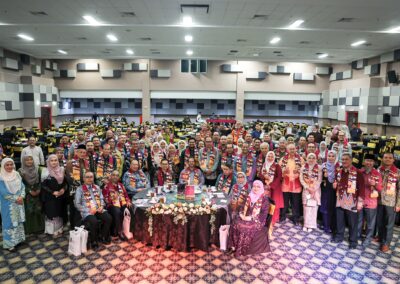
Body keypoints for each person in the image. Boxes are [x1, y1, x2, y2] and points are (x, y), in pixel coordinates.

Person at [228, 180, 270, 257]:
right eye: (254, 186)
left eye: (258, 187)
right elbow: (242, 207)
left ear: (261, 188)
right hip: (246, 216)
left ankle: (239, 250)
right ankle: (233, 246)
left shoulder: (264, 200)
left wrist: (251, 218)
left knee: (244, 226)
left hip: (258, 220)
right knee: (235, 222)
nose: (256, 188)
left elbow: (263, 215)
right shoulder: (249, 196)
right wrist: (241, 214)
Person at [332, 153, 364, 249]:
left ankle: (353, 241)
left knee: (352, 222)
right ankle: (339, 236)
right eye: (343, 159)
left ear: (351, 160)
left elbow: (361, 189)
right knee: (339, 220)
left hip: (352, 200)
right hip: (340, 199)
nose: (344, 161)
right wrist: (334, 185)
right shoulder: (339, 171)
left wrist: (360, 203)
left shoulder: (358, 172)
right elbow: (336, 182)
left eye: (346, 159)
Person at [74, 172, 112, 249]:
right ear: (84, 179)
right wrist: (88, 210)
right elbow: (77, 204)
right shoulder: (80, 189)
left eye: (91, 177)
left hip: (98, 209)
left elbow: (101, 199)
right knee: (93, 221)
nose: (89, 179)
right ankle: (93, 241)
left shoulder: (97, 187)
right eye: (87, 177)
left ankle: (103, 236)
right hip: (87, 211)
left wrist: (101, 206)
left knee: (109, 218)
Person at [376, 152, 400, 252]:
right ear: (382, 159)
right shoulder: (378, 170)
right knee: (380, 222)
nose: (388, 159)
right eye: (386, 157)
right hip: (379, 200)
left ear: (393, 160)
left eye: (390, 158)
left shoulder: (397, 172)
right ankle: (381, 237)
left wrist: (398, 203)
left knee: (389, 224)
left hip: (391, 201)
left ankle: (386, 243)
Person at [0, 158, 25, 251]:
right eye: (7, 165)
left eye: (11, 164)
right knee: (9, 223)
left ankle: (18, 240)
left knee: (18, 221)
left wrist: (21, 196)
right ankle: (10, 244)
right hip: (7, 204)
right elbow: (3, 192)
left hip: (19, 202)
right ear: (3, 166)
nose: (10, 166)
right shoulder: (1, 177)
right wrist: (16, 199)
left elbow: (22, 186)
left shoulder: (16, 174)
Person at [357, 154, 382, 247]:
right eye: (367, 160)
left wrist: (375, 184)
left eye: (371, 161)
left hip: (371, 202)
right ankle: (357, 235)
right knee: (359, 221)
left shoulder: (377, 174)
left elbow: (380, 189)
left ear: (374, 163)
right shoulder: (359, 171)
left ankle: (368, 239)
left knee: (370, 223)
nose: (369, 163)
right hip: (360, 201)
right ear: (364, 162)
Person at [41, 154, 67, 236]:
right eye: (51, 161)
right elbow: (43, 185)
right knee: (52, 213)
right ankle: (51, 231)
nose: (54, 162)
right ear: (48, 162)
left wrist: (63, 189)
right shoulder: (45, 171)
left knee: (60, 212)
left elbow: (65, 183)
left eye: (55, 160)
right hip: (50, 197)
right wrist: (52, 192)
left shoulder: (62, 169)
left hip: (61, 196)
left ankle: (59, 229)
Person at [102, 170, 133, 241]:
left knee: (130, 207)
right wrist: (112, 198)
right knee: (117, 211)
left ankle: (129, 230)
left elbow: (126, 195)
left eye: (117, 175)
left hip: (122, 203)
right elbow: (105, 200)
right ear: (110, 176)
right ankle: (119, 232)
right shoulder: (106, 187)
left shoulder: (121, 185)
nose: (115, 177)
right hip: (111, 205)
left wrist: (128, 201)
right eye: (113, 175)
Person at [18, 155, 44, 235]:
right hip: (27, 193)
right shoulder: (20, 171)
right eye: (27, 160)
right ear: (23, 161)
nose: (29, 161)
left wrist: (39, 189)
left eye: (31, 159)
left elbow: (40, 181)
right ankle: (29, 229)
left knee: (38, 210)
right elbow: (20, 184)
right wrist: (29, 191)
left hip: (37, 191)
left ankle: (39, 228)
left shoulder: (38, 169)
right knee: (29, 211)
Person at [279, 144, 303, 225]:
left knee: (295, 203)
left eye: (293, 149)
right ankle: (282, 216)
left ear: (296, 149)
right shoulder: (283, 159)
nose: (292, 150)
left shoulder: (301, 159)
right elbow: (278, 171)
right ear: (287, 150)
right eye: (290, 149)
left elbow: (304, 171)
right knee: (285, 202)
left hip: (296, 184)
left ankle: (296, 218)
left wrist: (299, 172)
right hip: (285, 184)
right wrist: (283, 172)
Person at [300, 153, 322, 232]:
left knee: (314, 207)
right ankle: (306, 224)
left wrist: (314, 188)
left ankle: (312, 225)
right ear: (307, 159)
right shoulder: (303, 168)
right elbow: (301, 179)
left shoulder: (319, 168)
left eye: (313, 158)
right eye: (309, 157)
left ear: (315, 159)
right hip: (306, 190)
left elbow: (319, 180)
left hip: (315, 190)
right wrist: (307, 187)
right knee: (306, 207)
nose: (311, 159)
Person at [261, 151, 283, 230]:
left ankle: (273, 221)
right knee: (266, 204)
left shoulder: (277, 166)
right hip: (265, 187)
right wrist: (264, 178)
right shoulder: (264, 165)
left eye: (271, 157)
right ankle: (265, 219)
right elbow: (261, 175)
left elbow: (279, 177)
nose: (270, 158)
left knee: (274, 204)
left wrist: (271, 185)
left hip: (274, 188)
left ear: (274, 158)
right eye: (268, 156)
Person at [320, 151, 339, 234]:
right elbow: (318, 178)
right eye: (329, 156)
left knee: (332, 208)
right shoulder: (323, 166)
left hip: (334, 190)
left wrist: (337, 183)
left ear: (335, 157)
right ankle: (325, 225)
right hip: (325, 189)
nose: (331, 158)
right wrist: (324, 177)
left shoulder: (338, 166)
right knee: (325, 207)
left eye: (333, 156)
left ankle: (330, 225)